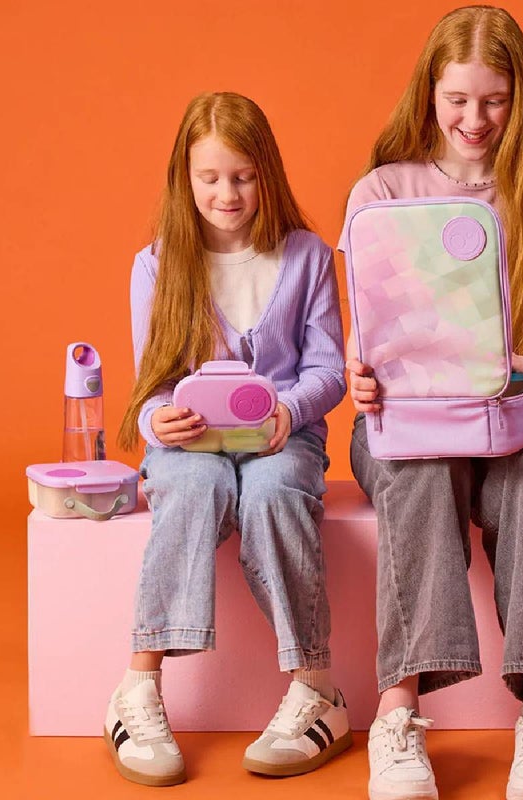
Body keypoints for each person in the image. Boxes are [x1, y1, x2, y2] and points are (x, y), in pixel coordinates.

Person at [341, 7, 523, 800]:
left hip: (503, 421)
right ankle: (397, 712)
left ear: (519, 98)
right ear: (429, 92)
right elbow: (366, 336)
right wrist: (361, 375)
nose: (475, 119)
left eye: (494, 101)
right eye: (458, 99)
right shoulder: (383, 190)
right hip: (407, 424)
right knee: (423, 479)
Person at [108, 92, 350, 787]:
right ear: (183, 178)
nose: (227, 194)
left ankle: (316, 687)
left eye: (243, 177)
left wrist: (289, 411)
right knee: (191, 486)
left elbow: (328, 369)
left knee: (274, 493)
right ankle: (138, 686)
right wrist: (157, 420)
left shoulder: (305, 256)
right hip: (191, 444)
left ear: (267, 173)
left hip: (282, 439)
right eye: (210, 178)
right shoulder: (157, 264)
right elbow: (152, 384)